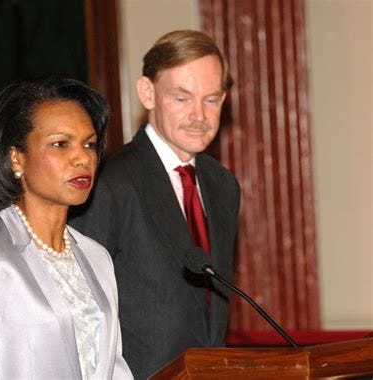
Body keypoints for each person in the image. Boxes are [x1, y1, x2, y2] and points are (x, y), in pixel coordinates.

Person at [0, 75, 133, 379]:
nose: (83, 157)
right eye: (60, 144)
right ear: (16, 158)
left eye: (89, 144)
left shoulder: (97, 257)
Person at [70, 30, 241, 378]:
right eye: (181, 98)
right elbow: (81, 314)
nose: (200, 115)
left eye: (212, 99)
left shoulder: (223, 186)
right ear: (148, 93)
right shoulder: (110, 183)